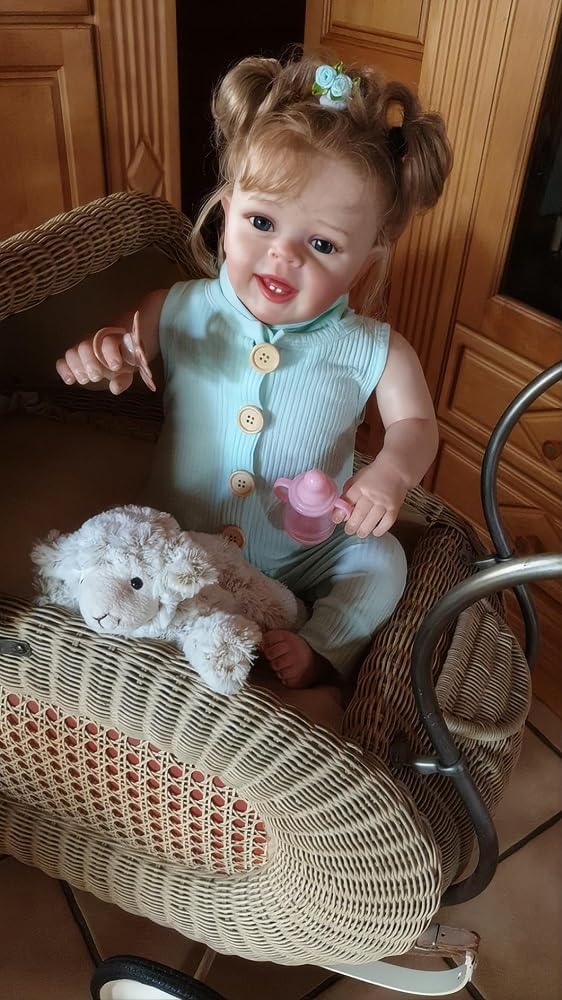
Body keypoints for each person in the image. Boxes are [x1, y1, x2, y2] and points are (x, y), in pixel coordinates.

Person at [56, 52, 452, 691]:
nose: (283, 254)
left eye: (322, 244)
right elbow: (121, 349)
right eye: (261, 221)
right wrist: (105, 354)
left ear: (366, 261)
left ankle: (322, 645)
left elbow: (416, 423)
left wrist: (392, 472)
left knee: (383, 562)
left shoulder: (372, 347)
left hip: (309, 548)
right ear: (226, 207)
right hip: (180, 543)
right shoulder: (179, 307)